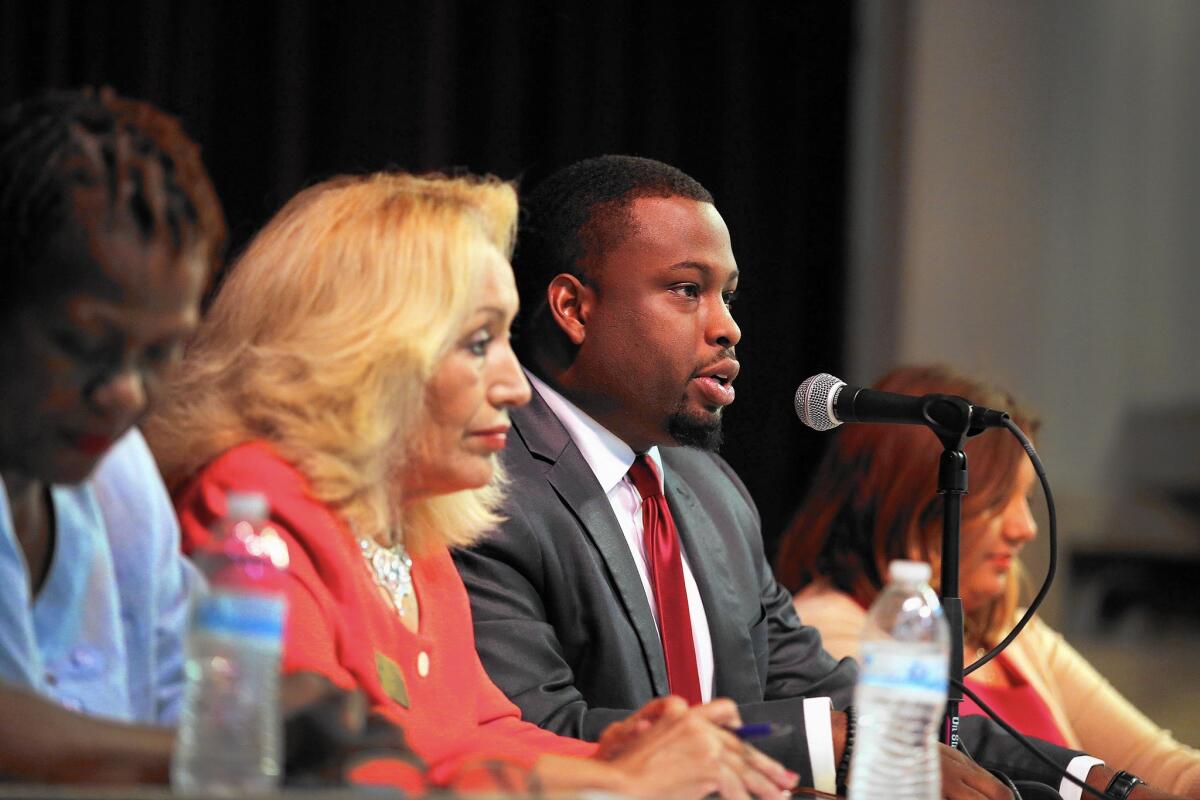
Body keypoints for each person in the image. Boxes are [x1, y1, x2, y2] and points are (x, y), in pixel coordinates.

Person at [452, 153, 1193, 800]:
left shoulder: (711, 494)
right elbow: (543, 731)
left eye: (728, 295)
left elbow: (836, 698)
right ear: (574, 307)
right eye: (687, 290)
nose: (727, 327)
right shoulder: (484, 491)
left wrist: (1099, 782)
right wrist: (830, 742)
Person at [148, 171, 796, 797]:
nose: (515, 386)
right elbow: (321, 775)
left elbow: (485, 735)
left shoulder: (419, 528)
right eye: (480, 341)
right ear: (363, 348)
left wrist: (620, 754)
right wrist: (619, 781)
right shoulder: (254, 508)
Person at [776, 364, 1200, 797]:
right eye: (1000, 501)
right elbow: (931, 766)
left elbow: (1168, 770)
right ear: (920, 499)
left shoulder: (1017, 634)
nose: (1026, 528)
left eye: (1027, 499)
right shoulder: (827, 627)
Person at [0, 88, 223, 781]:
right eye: (83, 342)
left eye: (161, 353)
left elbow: (180, 695)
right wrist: (219, 752)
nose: (124, 391)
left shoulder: (120, 472)